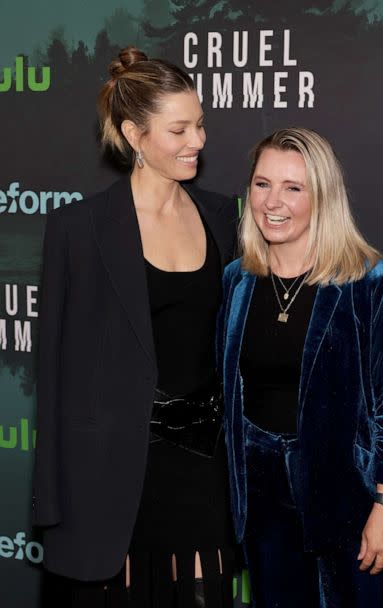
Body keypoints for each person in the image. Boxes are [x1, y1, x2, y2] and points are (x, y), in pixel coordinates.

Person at [32, 46, 238, 608]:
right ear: (133, 134)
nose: (197, 140)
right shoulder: (79, 229)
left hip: (205, 470)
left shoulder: (225, 217)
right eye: (179, 129)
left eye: (199, 124)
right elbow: (52, 370)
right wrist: (49, 503)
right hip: (111, 476)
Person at [218, 127, 383, 607]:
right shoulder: (238, 280)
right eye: (262, 183)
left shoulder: (369, 281)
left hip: (349, 497)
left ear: (323, 198)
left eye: (294, 188)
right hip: (263, 501)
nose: (273, 201)